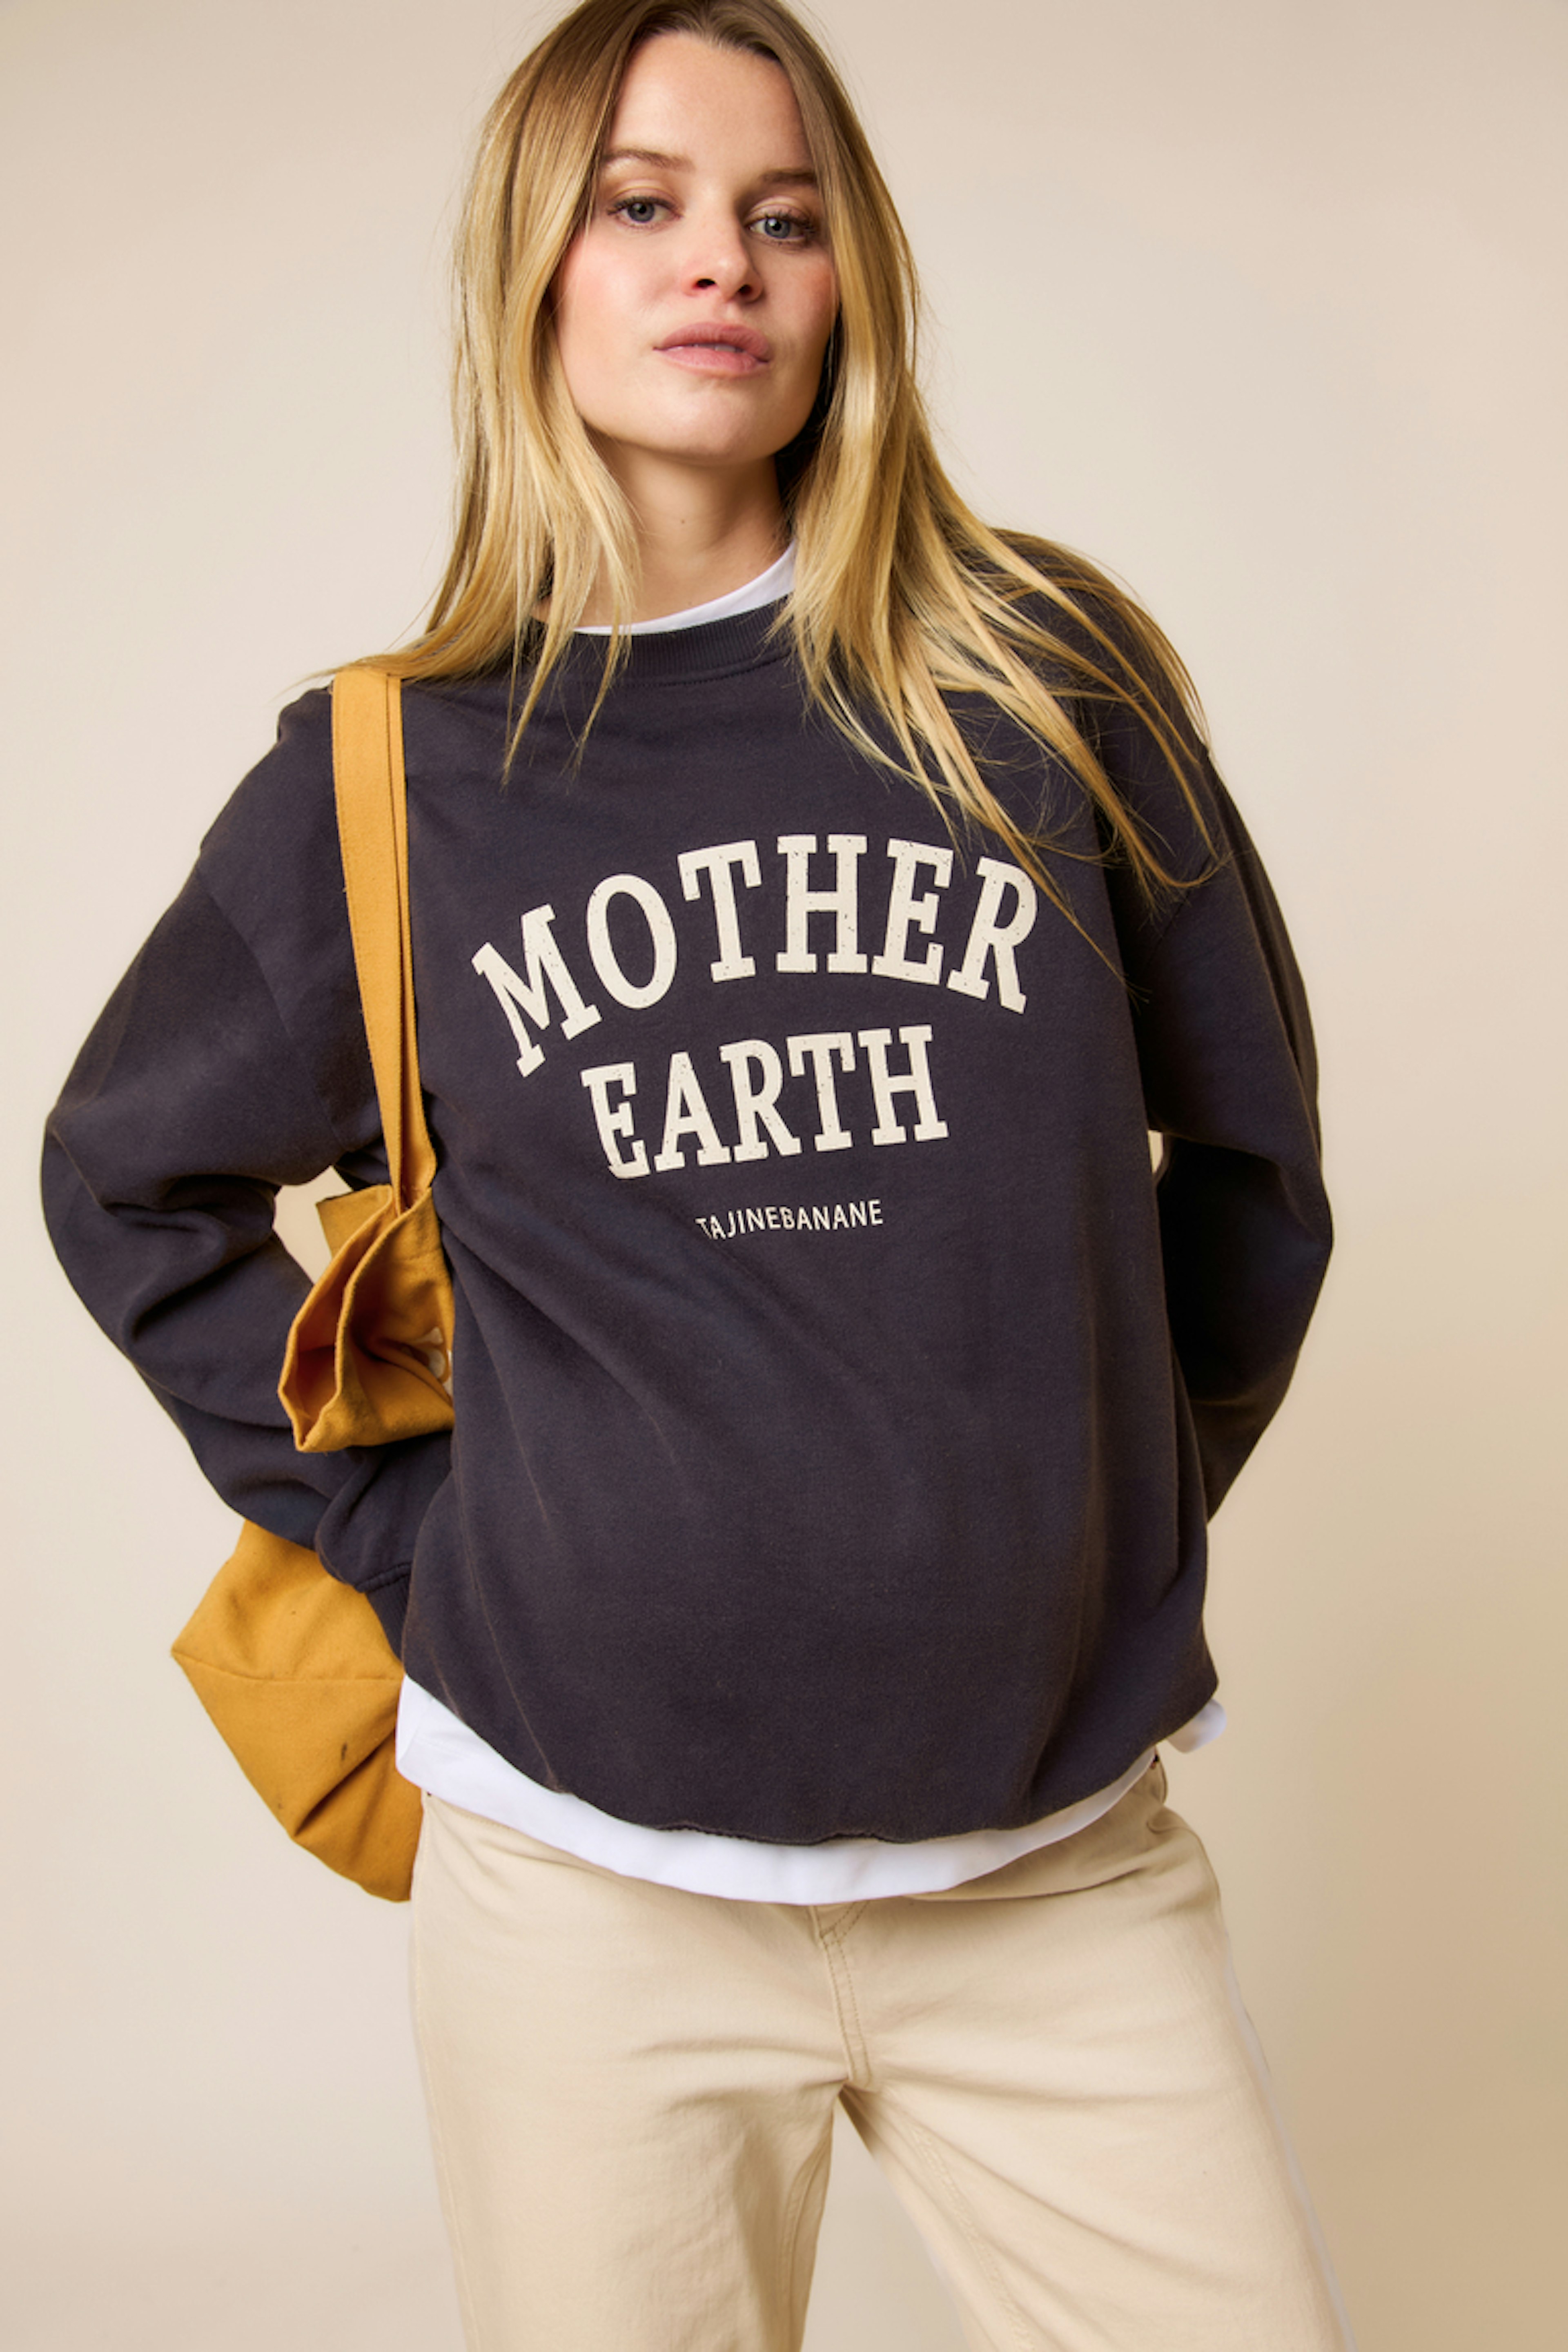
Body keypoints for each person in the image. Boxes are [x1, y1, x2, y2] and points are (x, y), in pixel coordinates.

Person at [43, 2, 1355, 2345]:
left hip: (1052, 1871)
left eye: (786, 215)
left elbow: (1254, 1172)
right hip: (585, 1896)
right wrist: (416, 1533)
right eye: (640, 204)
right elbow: (123, 1179)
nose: (720, 262)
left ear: (854, 282)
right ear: (531, 266)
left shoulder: (1048, 686)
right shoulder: (391, 777)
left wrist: (1090, 1505)